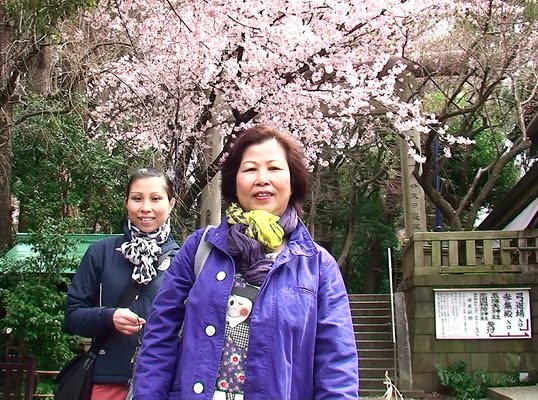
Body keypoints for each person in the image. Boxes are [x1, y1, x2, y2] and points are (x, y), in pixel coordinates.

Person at [133, 126, 359, 400]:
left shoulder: (318, 266)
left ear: (293, 181)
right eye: (250, 169)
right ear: (234, 181)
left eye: (274, 168)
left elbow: (336, 363)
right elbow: (159, 336)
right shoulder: (200, 248)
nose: (262, 179)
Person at [65, 167, 179, 400]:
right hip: (108, 382)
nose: (145, 207)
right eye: (137, 198)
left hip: (164, 383)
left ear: (171, 204)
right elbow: (73, 316)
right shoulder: (101, 253)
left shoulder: (185, 259)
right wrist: (108, 317)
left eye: (155, 199)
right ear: (126, 203)